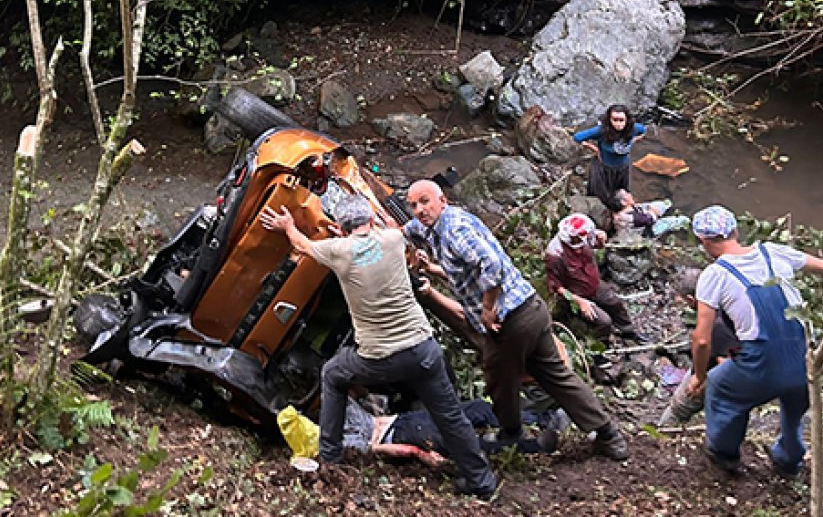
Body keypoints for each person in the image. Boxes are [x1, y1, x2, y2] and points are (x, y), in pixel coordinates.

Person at [259, 194, 497, 499]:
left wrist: (288, 224)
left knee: (333, 373)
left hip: (378, 360)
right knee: (450, 416)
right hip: (423, 350)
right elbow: (396, 231)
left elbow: (302, 245)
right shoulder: (393, 240)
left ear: (342, 229)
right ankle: (482, 483)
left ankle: (330, 464)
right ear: (370, 222)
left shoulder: (338, 250)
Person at [403, 180, 629, 461]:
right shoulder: (439, 224)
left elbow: (492, 267)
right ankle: (608, 434)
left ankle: (511, 434)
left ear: (443, 200)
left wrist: (488, 308)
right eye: (413, 205)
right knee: (556, 376)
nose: (419, 210)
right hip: (532, 309)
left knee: (498, 378)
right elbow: (458, 268)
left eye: (425, 201)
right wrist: (426, 264)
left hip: (510, 321)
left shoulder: (454, 230)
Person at [687, 205, 823, 477]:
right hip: (805, 359)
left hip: (762, 364)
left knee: (720, 386)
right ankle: (789, 459)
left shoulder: (714, 275)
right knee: (793, 410)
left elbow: (701, 340)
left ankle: (724, 455)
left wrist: (699, 376)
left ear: (704, 241)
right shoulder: (773, 251)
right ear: (735, 230)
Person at [340, 397, 570, 464]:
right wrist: (418, 453)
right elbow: (376, 448)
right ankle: (536, 443)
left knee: (476, 409)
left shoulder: (338, 410)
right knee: (467, 442)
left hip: (408, 420)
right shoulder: (341, 442)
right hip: (404, 433)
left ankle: (543, 420)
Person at [657, 268, 740, 427]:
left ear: (691, 299)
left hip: (714, 372)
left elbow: (726, 364)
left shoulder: (717, 323)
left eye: (683, 300)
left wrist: (702, 381)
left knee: (678, 409)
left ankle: (662, 438)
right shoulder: (726, 302)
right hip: (709, 364)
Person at [544, 213, 644, 342]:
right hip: (576, 293)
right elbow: (556, 287)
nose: (580, 249)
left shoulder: (586, 233)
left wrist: (602, 239)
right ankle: (600, 347)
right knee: (604, 321)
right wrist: (579, 301)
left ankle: (628, 331)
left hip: (593, 282)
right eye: (576, 244)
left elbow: (599, 246)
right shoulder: (555, 255)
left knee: (615, 302)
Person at [574, 105, 647, 210]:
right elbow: (578, 137)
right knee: (602, 195)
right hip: (604, 168)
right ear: (609, 120)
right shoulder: (601, 131)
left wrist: (634, 140)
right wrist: (594, 149)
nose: (618, 124)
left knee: (622, 194)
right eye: (615, 120)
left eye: (621, 120)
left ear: (627, 120)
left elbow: (644, 131)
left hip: (623, 167)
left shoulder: (633, 128)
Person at [609, 190, 691, 241]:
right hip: (646, 233)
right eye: (626, 194)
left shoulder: (629, 209)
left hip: (644, 222)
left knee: (663, 204)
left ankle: (669, 205)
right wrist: (654, 212)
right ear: (623, 202)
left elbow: (642, 206)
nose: (630, 194)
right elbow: (649, 220)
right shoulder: (624, 217)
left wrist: (651, 207)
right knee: (682, 220)